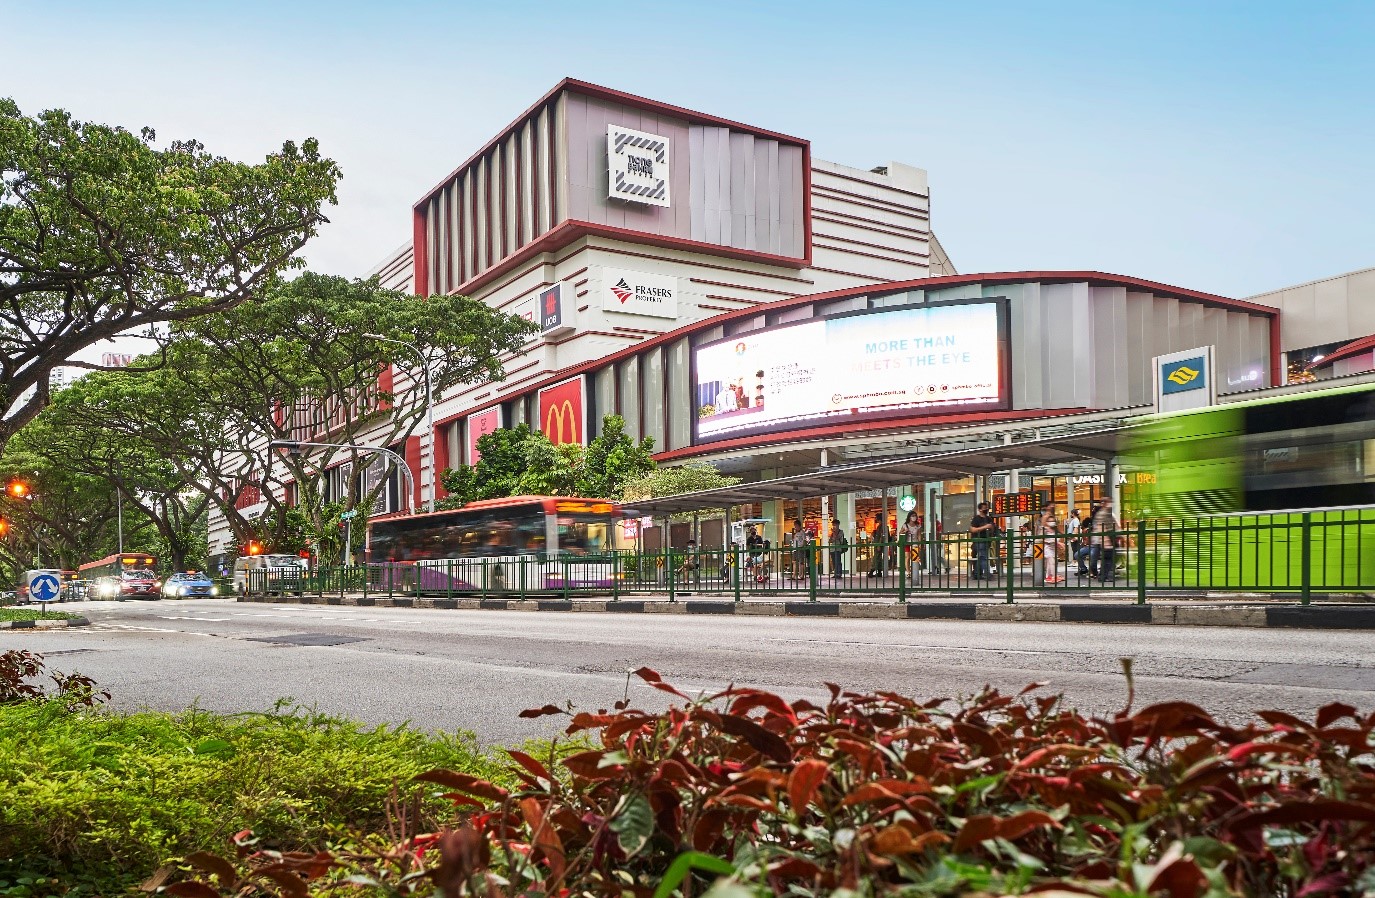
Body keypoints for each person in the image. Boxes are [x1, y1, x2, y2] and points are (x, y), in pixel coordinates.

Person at [1089, 499, 1119, 584]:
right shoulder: (1103, 514)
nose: (1111, 505)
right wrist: (1106, 541)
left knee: (1108, 558)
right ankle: (1103, 576)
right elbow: (1101, 527)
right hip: (1105, 539)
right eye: (1109, 503)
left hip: (1106, 538)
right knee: (1107, 558)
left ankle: (1104, 575)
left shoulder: (1106, 513)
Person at [970, 502, 996, 580]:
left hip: (987, 540)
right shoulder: (976, 519)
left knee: (981, 557)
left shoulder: (988, 518)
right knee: (983, 557)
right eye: (984, 508)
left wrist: (991, 528)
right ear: (980, 509)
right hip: (979, 540)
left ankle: (977, 574)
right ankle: (987, 573)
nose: (986, 509)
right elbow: (972, 529)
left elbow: (992, 527)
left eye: (987, 508)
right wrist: (985, 527)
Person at [1039, 507, 1063, 584]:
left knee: (1051, 562)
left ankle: (1048, 576)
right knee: (1051, 561)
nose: (1051, 522)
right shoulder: (1044, 529)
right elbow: (1041, 538)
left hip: (1053, 548)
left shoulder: (1054, 529)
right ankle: (1053, 576)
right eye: (1049, 521)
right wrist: (1056, 543)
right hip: (1047, 547)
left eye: (1053, 521)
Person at [901, 510, 923, 582]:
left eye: (915, 516)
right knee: (907, 557)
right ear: (909, 517)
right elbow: (900, 533)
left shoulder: (918, 525)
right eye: (912, 516)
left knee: (915, 557)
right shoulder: (905, 525)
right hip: (907, 542)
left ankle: (915, 572)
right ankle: (908, 572)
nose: (914, 517)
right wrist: (905, 531)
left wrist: (919, 543)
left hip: (915, 543)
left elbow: (919, 535)